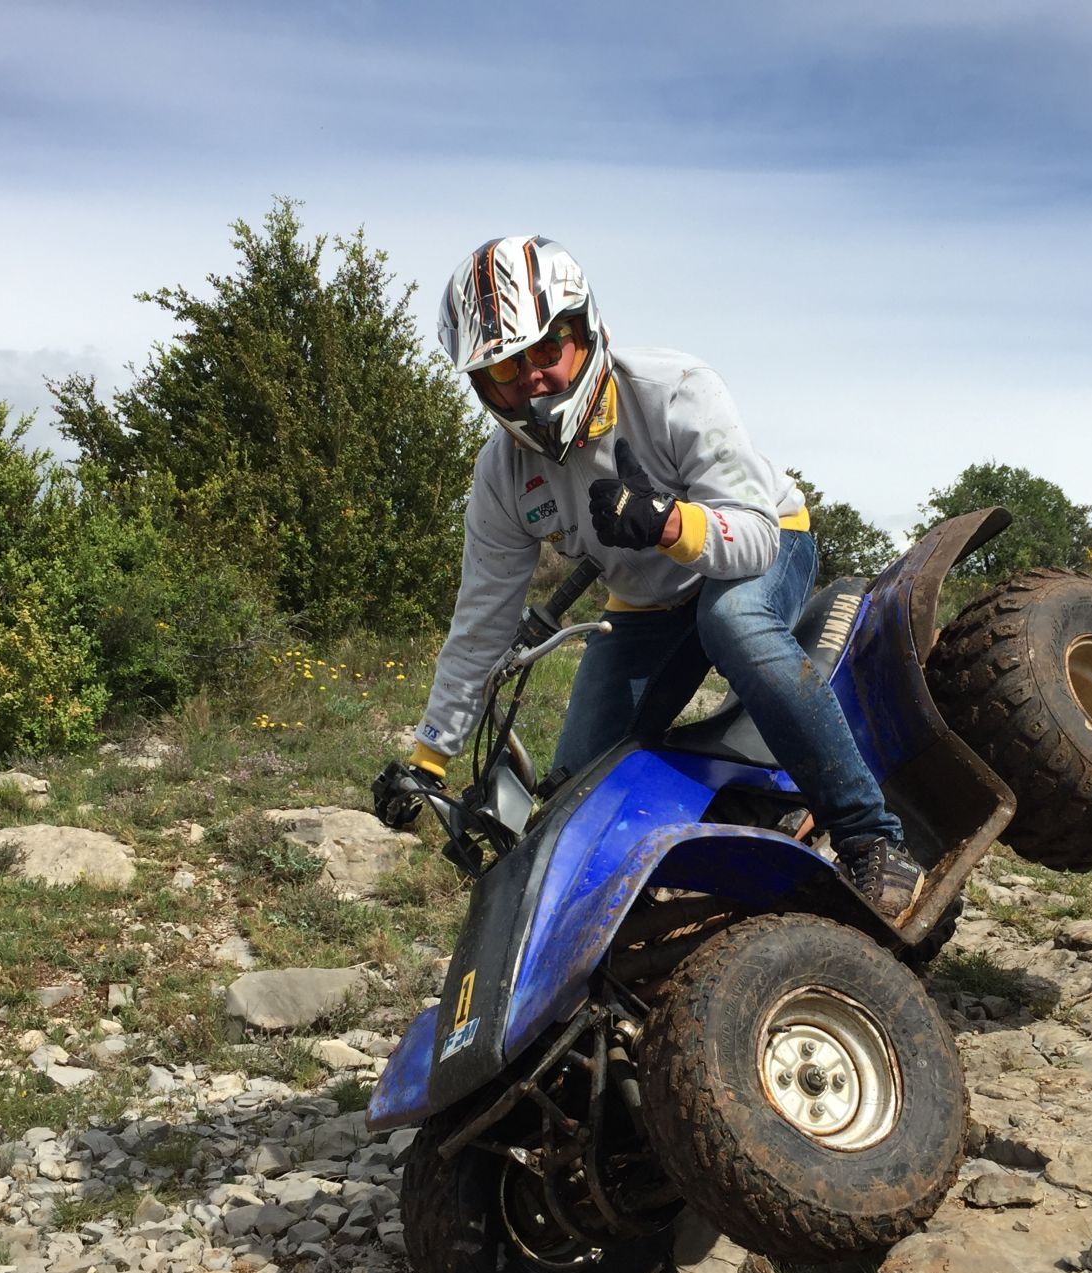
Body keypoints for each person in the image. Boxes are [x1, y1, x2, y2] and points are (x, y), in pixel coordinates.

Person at [372, 235, 923, 921]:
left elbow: (751, 537)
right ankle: (740, 841)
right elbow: (481, 620)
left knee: (734, 624)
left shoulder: (672, 390)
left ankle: (874, 838)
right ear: (479, 383)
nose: (531, 380)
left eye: (546, 351)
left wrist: (670, 525)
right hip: (644, 601)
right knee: (573, 791)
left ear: (585, 328)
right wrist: (429, 759)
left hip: (766, 543)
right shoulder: (503, 475)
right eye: (503, 371)